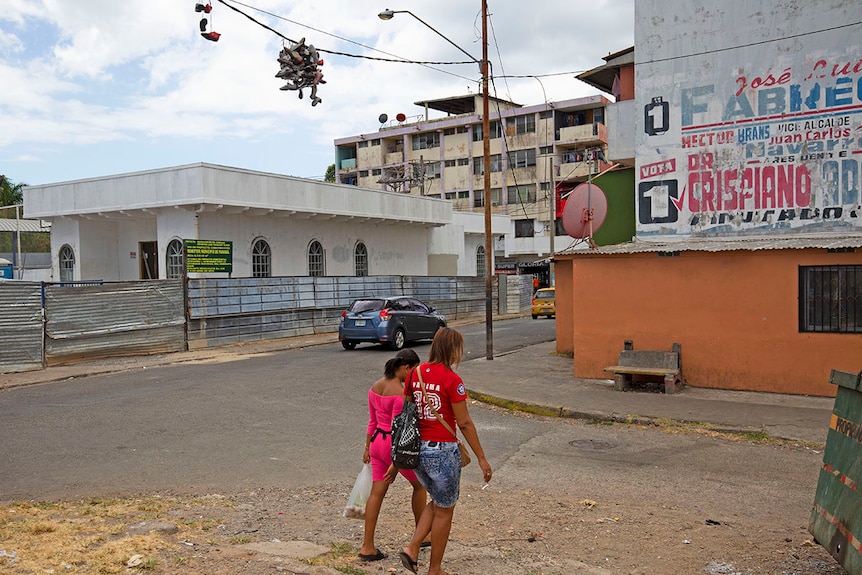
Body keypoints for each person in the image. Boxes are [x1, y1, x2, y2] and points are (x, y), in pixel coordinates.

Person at [399, 327, 493, 575]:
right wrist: (482, 458)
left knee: (438, 502)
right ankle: (435, 568)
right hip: (442, 452)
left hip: (417, 451)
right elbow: (464, 423)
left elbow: (407, 414)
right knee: (445, 510)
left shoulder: (415, 374)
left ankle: (412, 548)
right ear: (452, 350)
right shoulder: (453, 380)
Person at [358, 349, 428, 562]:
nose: (415, 376)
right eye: (414, 370)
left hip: (377, 442)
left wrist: (367, 447)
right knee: (420, 486)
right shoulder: (400, 393)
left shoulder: (375, 387)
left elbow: (372, 420)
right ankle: (422, 535)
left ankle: (367, 546)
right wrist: (396, 463)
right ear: (406, 368)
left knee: (376, 493)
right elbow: (401, 429)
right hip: (393, 445)